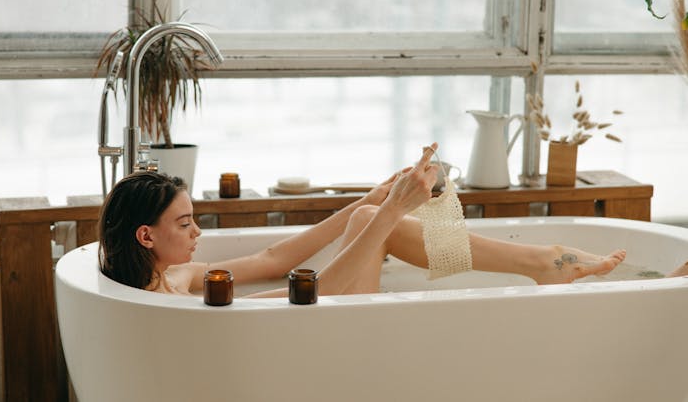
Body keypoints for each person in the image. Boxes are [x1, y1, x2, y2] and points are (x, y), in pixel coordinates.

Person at [98, 143, 627, 297]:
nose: (198, 234)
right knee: (383, 218)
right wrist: (394, 206)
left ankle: (540, 263)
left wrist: (369, 199)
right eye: (185, 224)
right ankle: (540, 262)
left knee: (374, 215)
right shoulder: (166, 297)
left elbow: (272, 258)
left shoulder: (173, 278)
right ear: (146, 235)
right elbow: (317, 291)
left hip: (321, 315)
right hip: (321, 330)